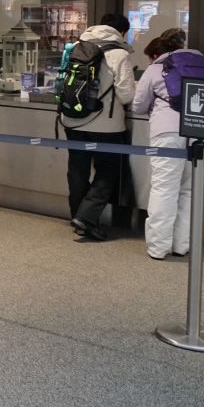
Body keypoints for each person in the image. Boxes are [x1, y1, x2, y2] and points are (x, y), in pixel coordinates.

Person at [132, 32, 204, 259]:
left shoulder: (156, 68)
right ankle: (182, 245)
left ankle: (158, 247)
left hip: (169, 131)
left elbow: (138, 106)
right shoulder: (201, 63)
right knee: (192, 188)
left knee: (164, 188)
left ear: (156, 54)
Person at [60, 13, 135, 241]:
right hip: (106, 126)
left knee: (77, 170)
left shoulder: (76, 47)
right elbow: (126, 95)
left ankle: (78, 217)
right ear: (122, 32)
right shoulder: (119, 54)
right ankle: (86, 218)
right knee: (107, 170)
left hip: (72, 119)